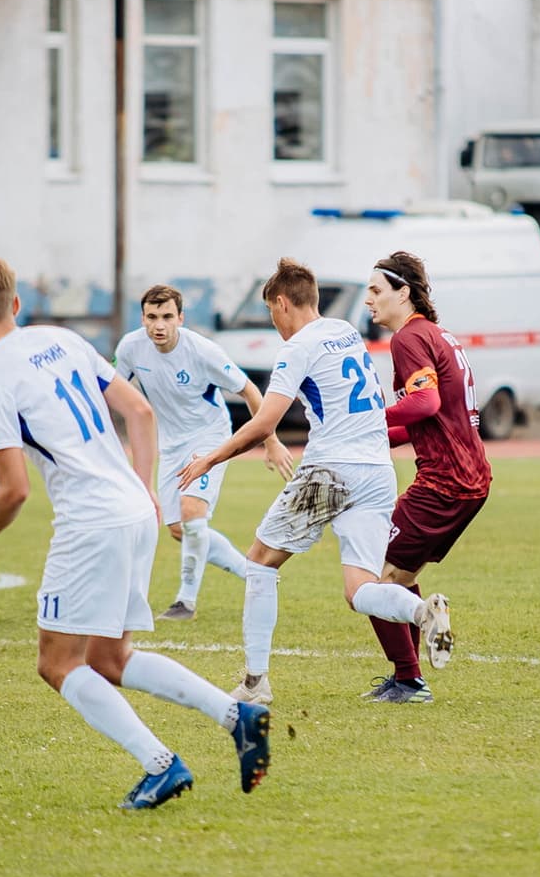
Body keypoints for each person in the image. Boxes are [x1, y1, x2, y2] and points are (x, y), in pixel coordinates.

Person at [0, 257, 270, 810]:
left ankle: (160, 765)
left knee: (56, 663)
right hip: (133, 508)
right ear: (17, 304)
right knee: (109, 659)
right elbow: (140, 413)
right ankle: (237, 716)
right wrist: (145, 489)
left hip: (90, 521)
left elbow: (14, 489)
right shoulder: (62, 339)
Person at [177, 258, 452, 706]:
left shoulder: (297, 346)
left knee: (260, 561)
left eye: (272, 313)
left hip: (331, 468)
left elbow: (267, 418)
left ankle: (254, 683)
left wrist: (211, 457)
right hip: (377, 471)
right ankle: (422, 612)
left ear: (282, 304)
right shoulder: (345, 329)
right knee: (360, 589)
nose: (275, 324)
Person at [357, 252, 491, 703]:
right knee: (400, 572)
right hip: (472, 478)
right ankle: (408, 678)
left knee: (371, 578)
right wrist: (370, 434)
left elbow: (424, 404)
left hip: (444, 481)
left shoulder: (408, 339)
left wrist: (370, 416)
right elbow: (425, 420)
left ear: (403, 293)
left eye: (376, 290)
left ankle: (410, 678)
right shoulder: (436, 334)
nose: (368, 300)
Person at [115, 285, 295, 621]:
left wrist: (270, 441)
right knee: (179, 528)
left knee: (192, 509)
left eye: (167, 316)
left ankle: (185, 602)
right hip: (169, 443)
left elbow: (250, 390)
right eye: (152, 317)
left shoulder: (202, 351)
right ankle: (251, 572)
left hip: (209, 435)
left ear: (180, 318)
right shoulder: (130, 348)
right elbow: (112, 390)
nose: (159, 325)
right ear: (142, 318)